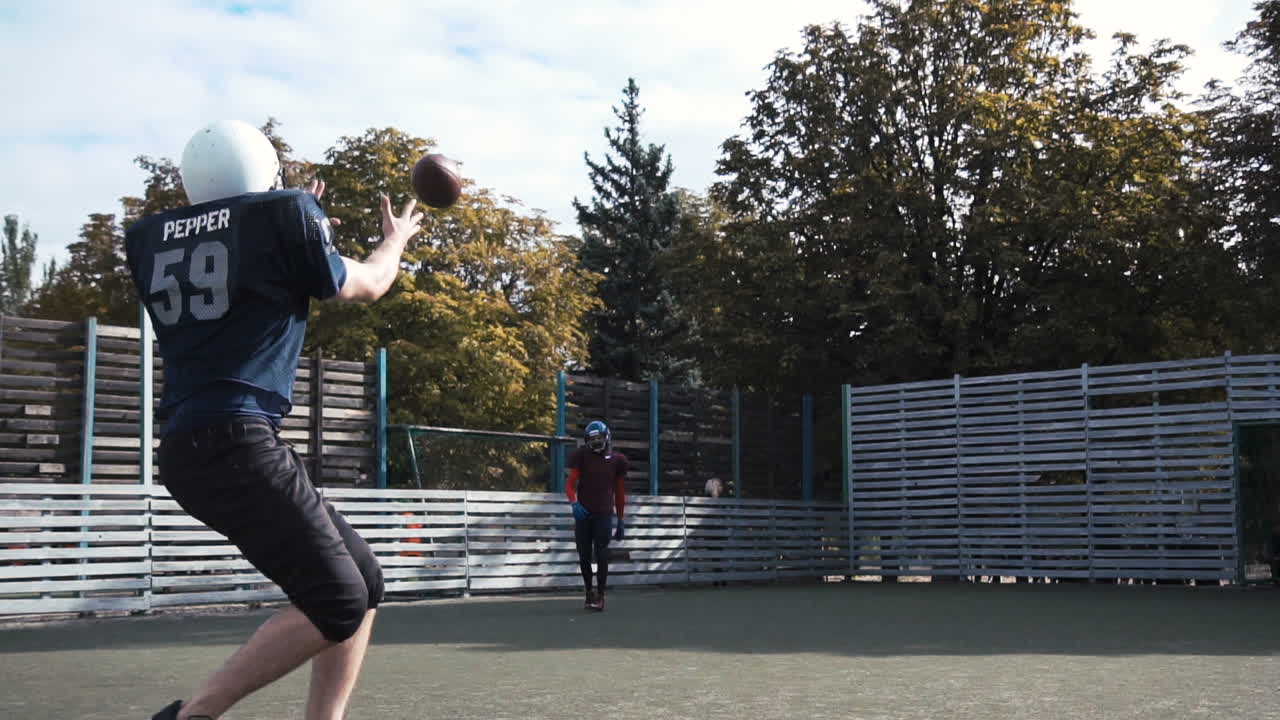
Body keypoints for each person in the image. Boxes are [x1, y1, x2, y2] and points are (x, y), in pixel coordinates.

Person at [127, 120, 423, 720]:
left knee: (363, 583)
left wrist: (298, 228)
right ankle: (190, 716)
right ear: (266, 177)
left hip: (197, 443)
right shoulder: (285, 214)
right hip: (233, 438)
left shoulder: (148, 237)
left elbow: (241, 261)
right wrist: (395, 241)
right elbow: (367, 283)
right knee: (337, 598)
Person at [564, 420, 628, 611]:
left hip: (604, 513)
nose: (596, 442)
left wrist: (621, 519)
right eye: (592, 439)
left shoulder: (617, 460)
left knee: (601, 554)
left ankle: (600, 595)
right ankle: (588, 593)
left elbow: (620, 492)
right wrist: (574, 502)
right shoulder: (581, 457)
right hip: (584, 513)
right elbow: (570, 484)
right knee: (584, 555)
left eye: (599, 438)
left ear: (606, 437)